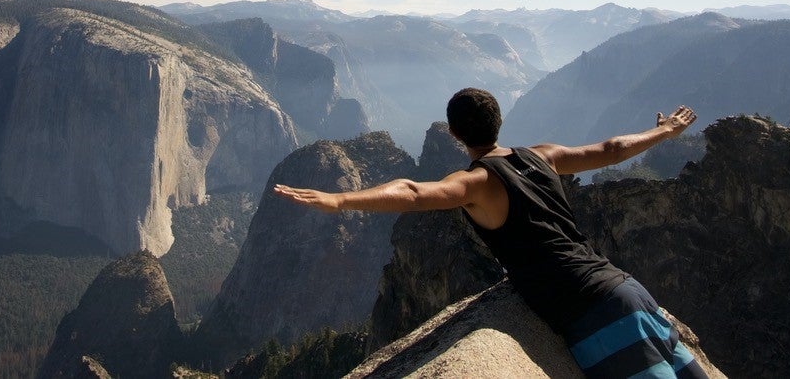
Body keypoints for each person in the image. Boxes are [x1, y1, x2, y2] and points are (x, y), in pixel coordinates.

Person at [273, 87, 707, 379]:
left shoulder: (477, 183)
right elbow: (610, 150)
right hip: (628, 290)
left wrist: (340, 201)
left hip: (592, 313)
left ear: (456, 134)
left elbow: (412, 192)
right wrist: (664, 131)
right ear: (498, 122)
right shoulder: (544, 156)